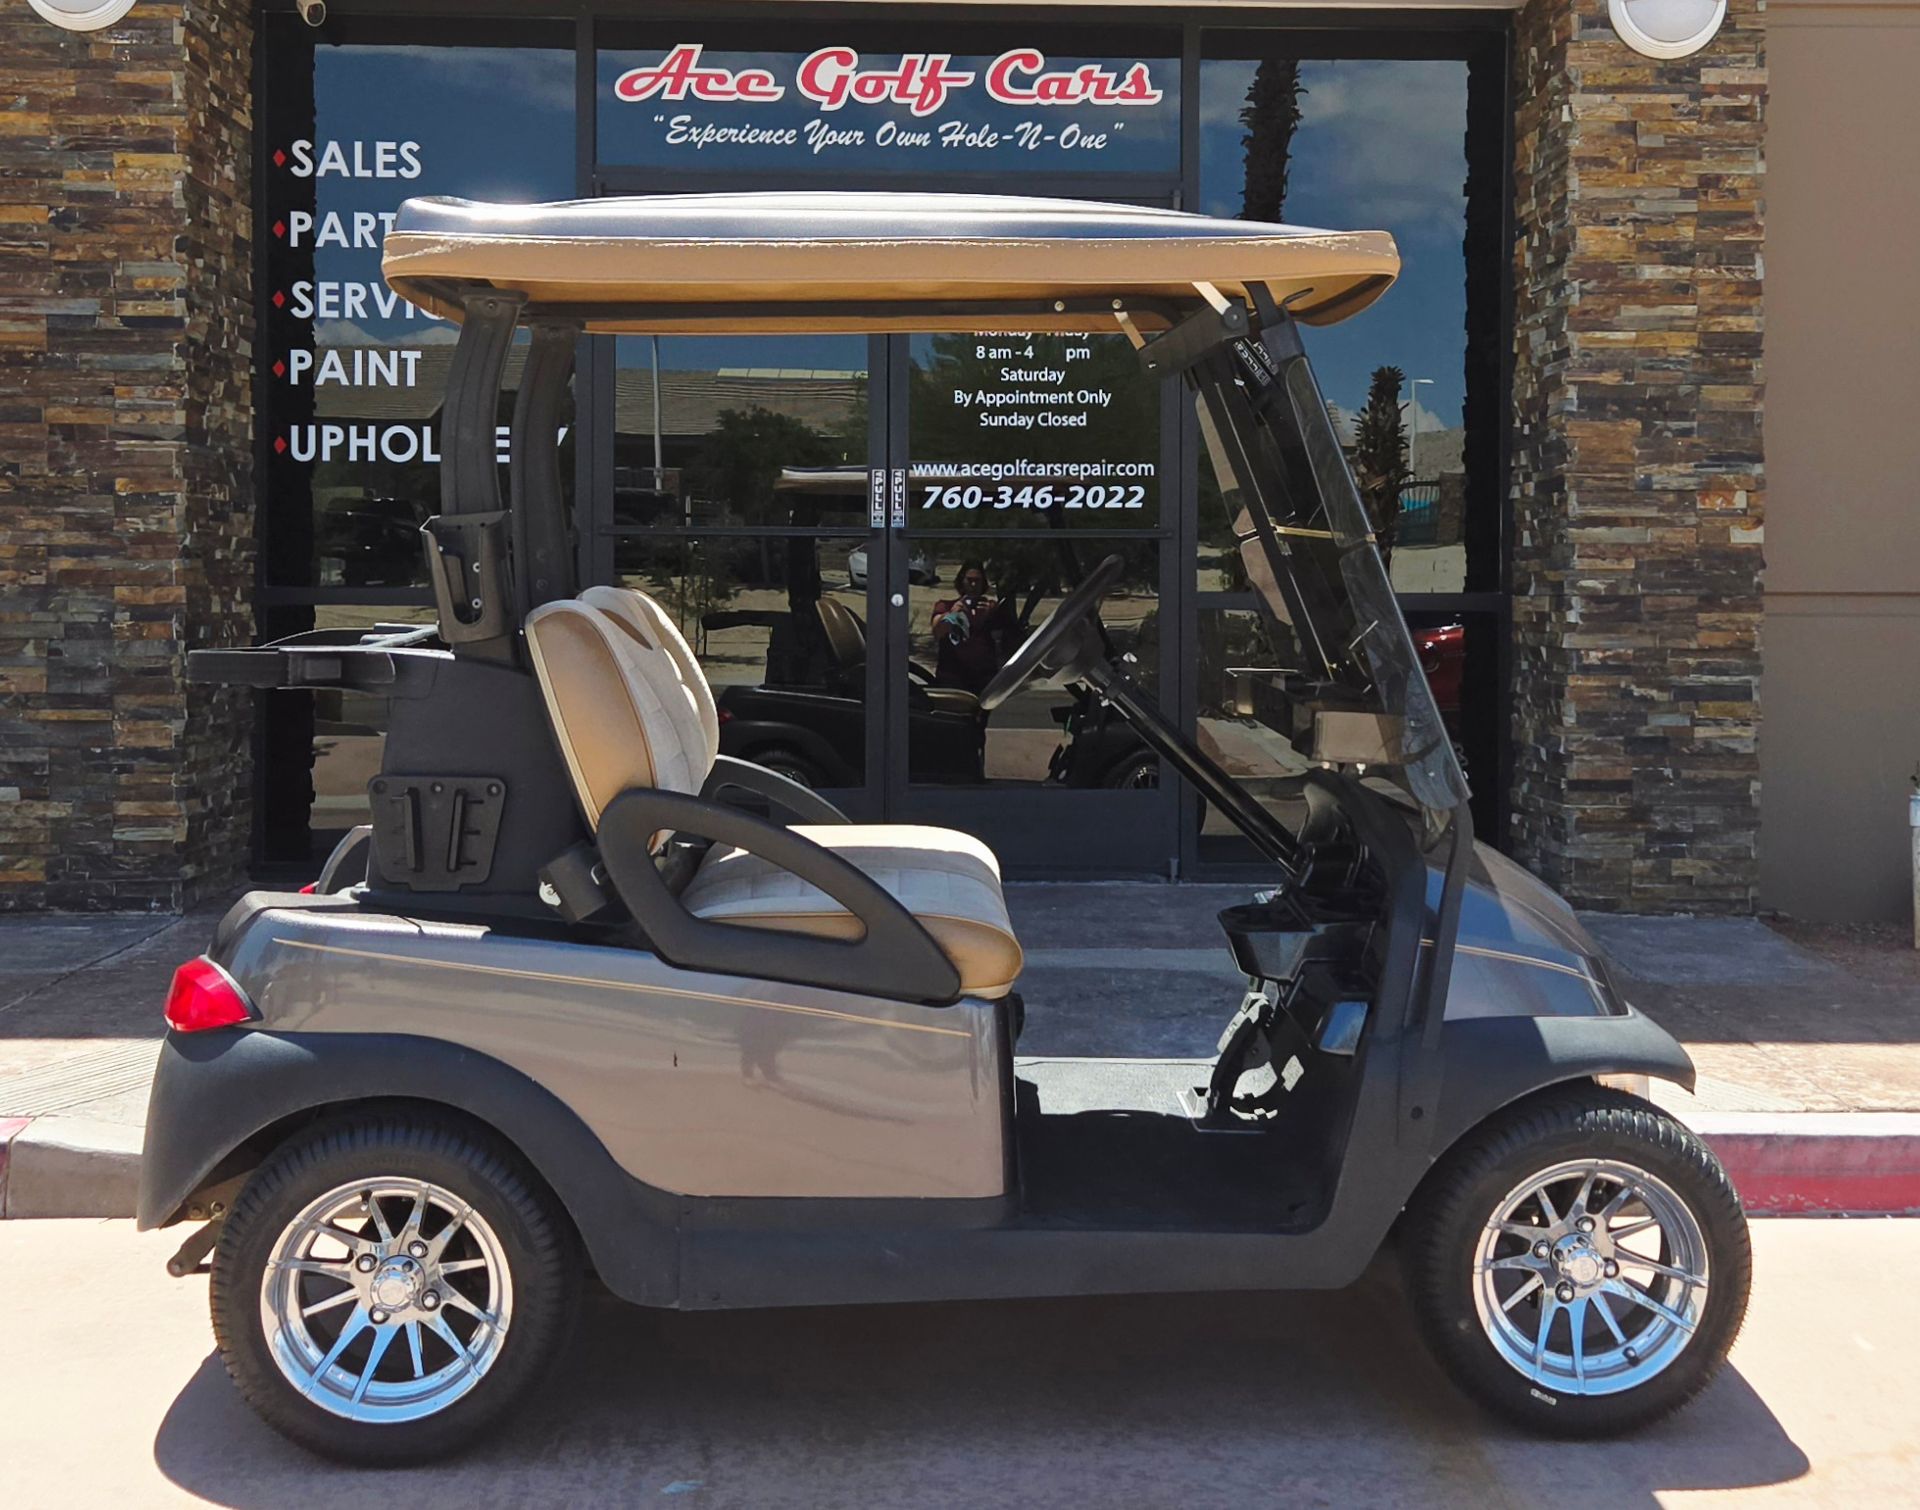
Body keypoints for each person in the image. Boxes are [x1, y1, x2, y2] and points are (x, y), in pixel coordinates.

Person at [928, 562, 1017, 695]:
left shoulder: (992, 609)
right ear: (962, 582)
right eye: (969, 581)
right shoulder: (945, 606)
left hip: (984, 678)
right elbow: (937, 631)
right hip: (952, 677)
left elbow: (1006, 638)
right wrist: (952, 615)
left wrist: (991, 615)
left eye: (977, 581)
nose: (973, 585)